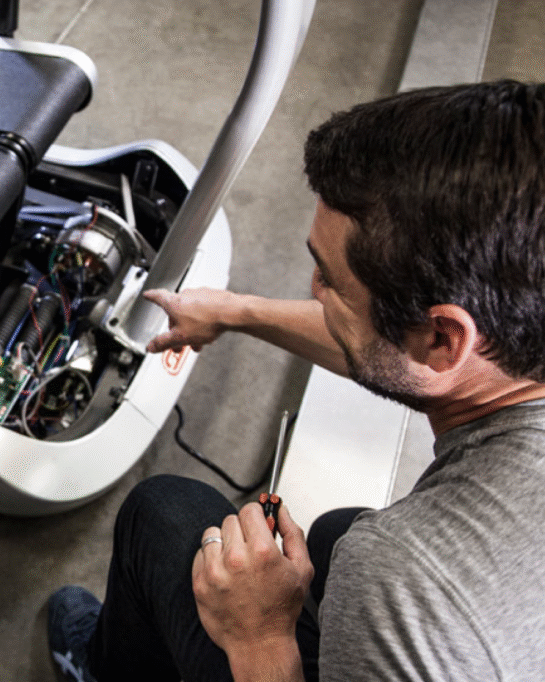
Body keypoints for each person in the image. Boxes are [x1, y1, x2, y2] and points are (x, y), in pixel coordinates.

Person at [47, 79, 545, 682]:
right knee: (337, 533)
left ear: (443, 339)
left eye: (330, 280)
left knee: (167, 514)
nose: (313, 288)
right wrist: (237, 312)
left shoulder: (404, 578)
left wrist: (259, 637)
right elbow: (393, 350)